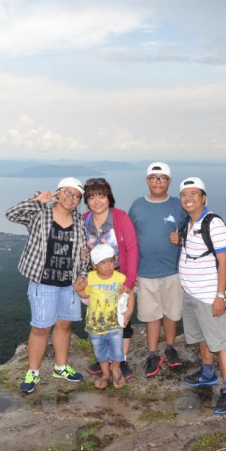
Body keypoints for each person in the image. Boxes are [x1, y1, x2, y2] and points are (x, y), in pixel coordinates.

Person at [5, 177, 89, 393]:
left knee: (64, 325)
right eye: (68, 193)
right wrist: (38, 200)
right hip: (43, 282)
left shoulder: (79, 220)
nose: (72, 198)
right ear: (58, 193)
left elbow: (83, 253)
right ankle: (33, 372)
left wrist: (82, 275)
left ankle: (60, 367)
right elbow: (11, 214)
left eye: (76, 195)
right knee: (41, 328)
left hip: (68, 284)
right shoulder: (40, 214)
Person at [173, 177, 226, 414]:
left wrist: (220, 296)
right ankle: (207, 373)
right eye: (184, 194)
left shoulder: (214, 224)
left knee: (221, 341)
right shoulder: (189, 223)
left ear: (203, 197)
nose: (188, 198)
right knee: (203, 336)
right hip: (190, 292)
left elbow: (224, 261)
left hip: (209, 294)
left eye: (194, 193)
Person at [128, 162, 188, 377]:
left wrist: (182, 239)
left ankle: (170, 348)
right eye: (153, 178)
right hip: (145, 272)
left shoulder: (178, 205)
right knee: (151, 315)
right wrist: (130, 271)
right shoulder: (137, 206)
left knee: (171, 313)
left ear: (169, 182)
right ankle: (153, 354)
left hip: (173, 270)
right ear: (147, 181)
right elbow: (129, 239)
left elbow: (194, 230)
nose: (157, 182)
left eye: (162, 178)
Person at [81, 178, 138, 380]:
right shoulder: (84, 219)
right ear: (86, 200)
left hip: (119, 277)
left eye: (101, 196)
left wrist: (129, 282)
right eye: (92, 197)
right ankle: (103, 358)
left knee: (122, 319)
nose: (97, 201)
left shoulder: (120, 218)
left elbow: (131, 249)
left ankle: (120, 360)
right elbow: (80, 247)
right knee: (100, 317)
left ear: (109, 197)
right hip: (96, 280)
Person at [74, 243, 134, 389]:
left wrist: (129, 311)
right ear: (95, 265)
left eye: (111, 261)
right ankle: (105, 374)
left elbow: (130, 292)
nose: (108, 266)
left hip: (114, 324)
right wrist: (79, 290)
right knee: (99, 351)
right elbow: (85, 294)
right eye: (103, 263)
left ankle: (115, 369)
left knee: (117, 349)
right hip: (95, 325)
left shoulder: (120, 278)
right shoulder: (91, 277)